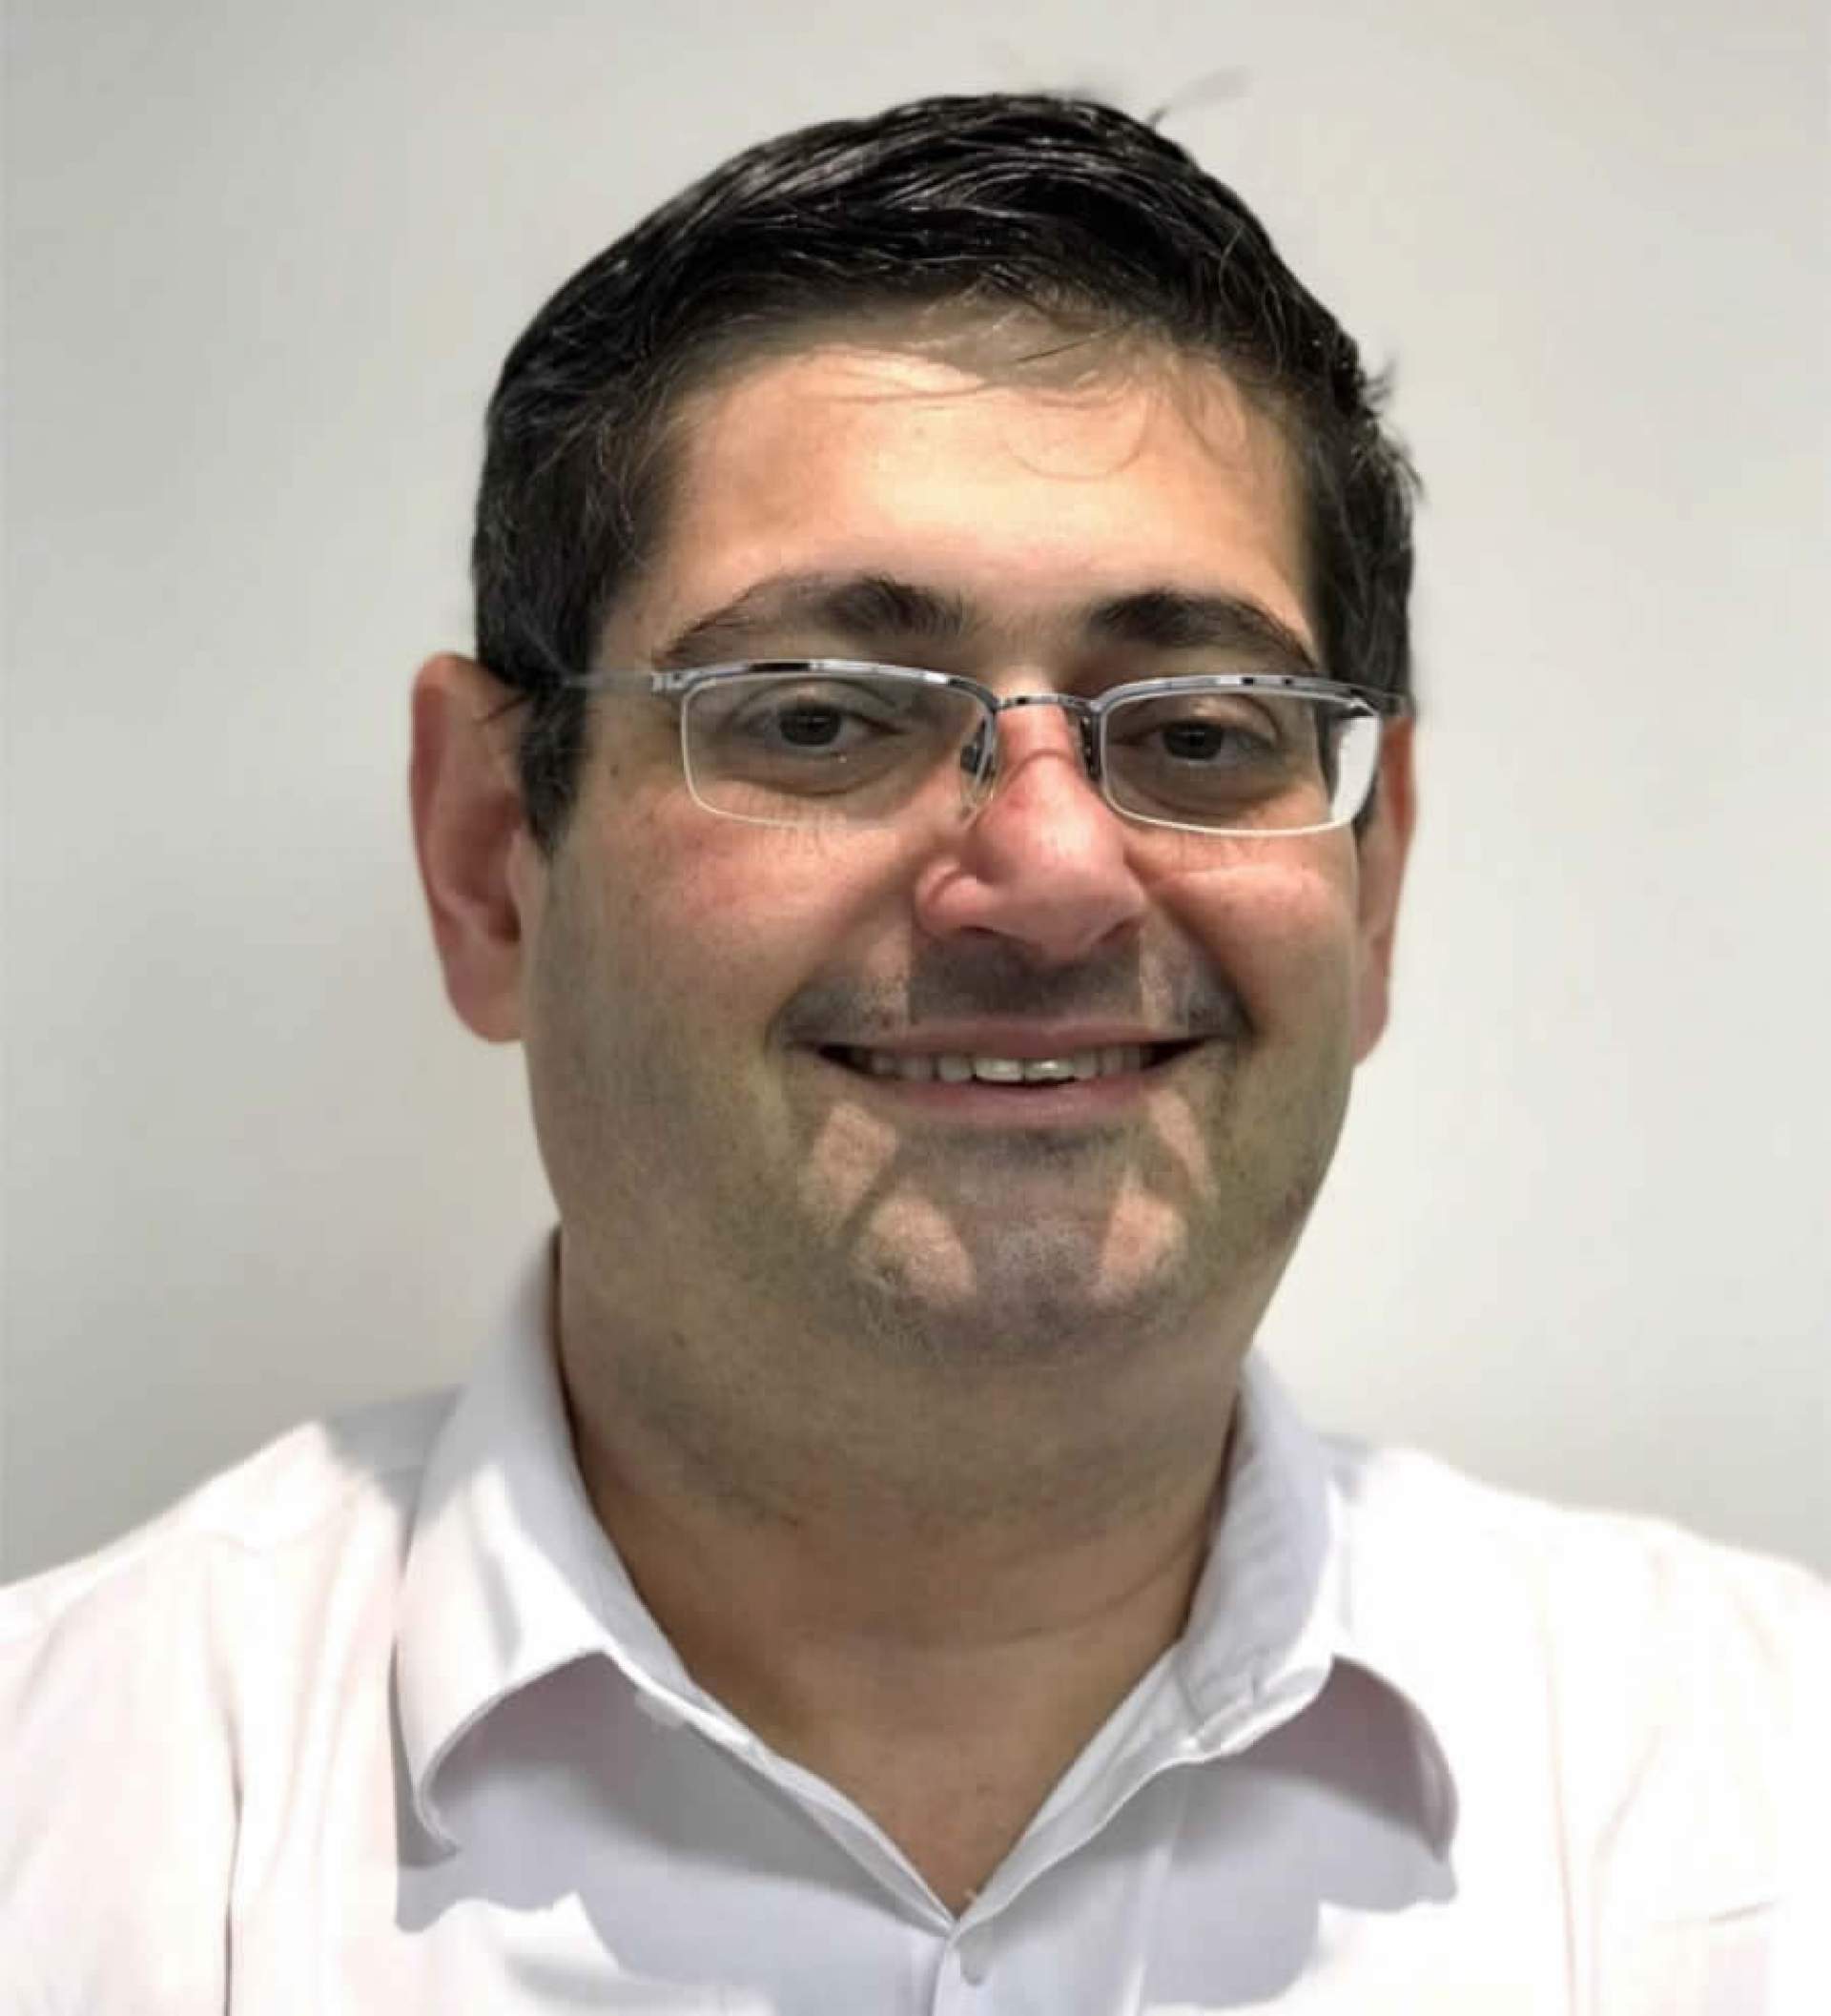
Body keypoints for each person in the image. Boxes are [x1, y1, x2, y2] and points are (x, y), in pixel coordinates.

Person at [1, 91, 1824, 2015]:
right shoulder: (59, 1833)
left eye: (1201, 730)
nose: (1050, 876)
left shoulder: (1769, 1810)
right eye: (815, 716)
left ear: (1374, 894)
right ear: (486, 860)